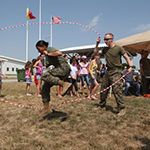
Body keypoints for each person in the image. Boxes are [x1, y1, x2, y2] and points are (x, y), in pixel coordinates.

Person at [94, 33, 132, 116]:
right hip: (108, 71)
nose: (105, 41)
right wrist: (97, 44)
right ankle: (102, 105)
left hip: (116, 71)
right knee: (103, 89)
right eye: (104, 39)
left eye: (107, 39)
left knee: (117, 90)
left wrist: (130, 66)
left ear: (112, 39)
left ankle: (122, 108)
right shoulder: (105, 49)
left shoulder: (118, 48)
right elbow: (95, 54)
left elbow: (126, 57)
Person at [35, 40, 71, 117]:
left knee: (44, 75)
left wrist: (47, 53)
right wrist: (46, 63)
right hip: (60, 69)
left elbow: (59, 53)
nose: (38, 51)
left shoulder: (49, 49)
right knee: (44, 88)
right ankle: (46, 109)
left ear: (43, 47)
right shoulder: (46, 55)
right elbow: (50, 62)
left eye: (39, 49)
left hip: (63, 68)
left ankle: (64, 84)